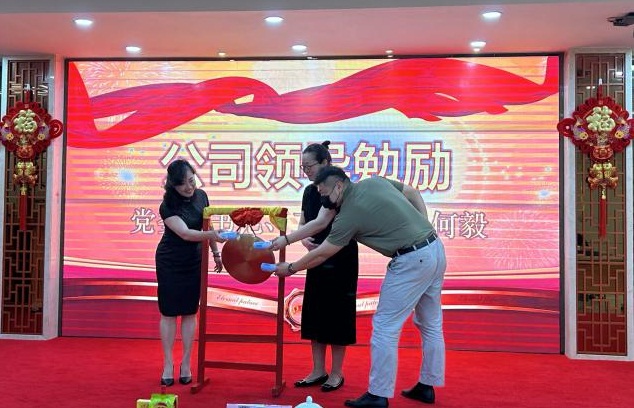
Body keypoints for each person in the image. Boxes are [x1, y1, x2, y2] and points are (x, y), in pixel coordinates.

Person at [273, 166, 447, 407]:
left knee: (385, 327)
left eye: (324, 194)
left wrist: (291, 268)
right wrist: (423, 227)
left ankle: (378, 394)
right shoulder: (373, 182)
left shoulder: (348, 215)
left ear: (339, 186)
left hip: (411, 261)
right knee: (430, 323)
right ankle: (427, 385)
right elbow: (412, 192)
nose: (323, 200)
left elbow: (322, 253)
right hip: (434, 249)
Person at [270, 141, 359, 392]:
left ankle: (336, 372)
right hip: (315, 258)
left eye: (310, 166)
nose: (306, 171)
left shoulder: (340, 188)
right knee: (315, 314)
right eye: (303, 167)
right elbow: (305, 223)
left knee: (338, 316)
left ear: (325, 163)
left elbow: (321, 222)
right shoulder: (310, 192)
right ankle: (318, 369)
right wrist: (303, 239)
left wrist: (288, 240)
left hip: (341, 257)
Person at [155, 159, 226, 386]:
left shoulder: (202, 196)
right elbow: (185, 233)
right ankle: (168, 364)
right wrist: (212, 237)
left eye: (192, 180)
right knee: (168, 313)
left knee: (189, 311)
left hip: (194, 261)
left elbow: (207, 226)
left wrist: (216, 253)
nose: (189, 187)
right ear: (173, 185)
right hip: (170, 261)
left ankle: (186, 363)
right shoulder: (167, 205)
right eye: (183, 184)